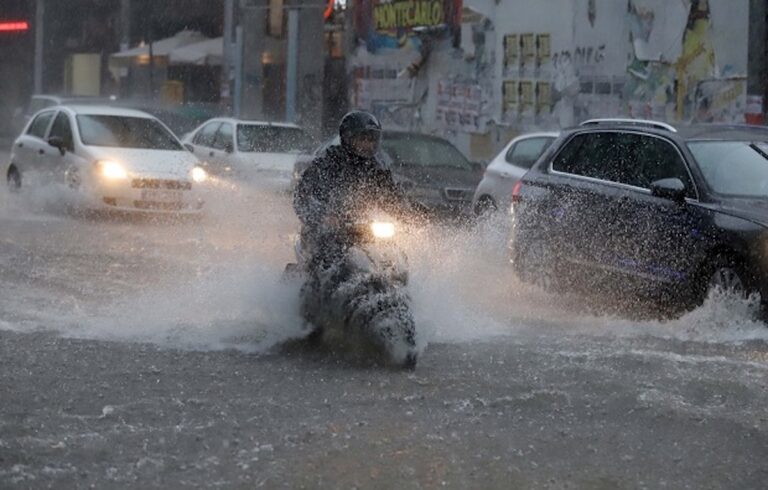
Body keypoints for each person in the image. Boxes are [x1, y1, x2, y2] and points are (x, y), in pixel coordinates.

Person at [293, 110, 412, 267]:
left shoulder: (377, 169)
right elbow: (303, 197)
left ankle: (396, 284)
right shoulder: (326, 164)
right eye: (362, 138)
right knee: (327, 259)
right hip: (328, 230)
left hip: (364, 228)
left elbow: (393, 196)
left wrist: (408, 213)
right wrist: (322, 216)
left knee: (393, 255)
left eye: (371, 139)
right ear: (348, 137)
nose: (367, 144)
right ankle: (318, 287)